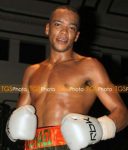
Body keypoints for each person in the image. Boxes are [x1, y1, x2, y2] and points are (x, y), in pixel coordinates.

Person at [6, 5, 128, 150]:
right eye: (58, 24)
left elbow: (122, 113)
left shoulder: (89, 66)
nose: (64, 32)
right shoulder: (31, 71)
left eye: (71, 28)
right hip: (32, 146)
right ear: (47, 29)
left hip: (69, 145)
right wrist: (11, 129)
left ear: (76, 36)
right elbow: (19, 117)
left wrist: (99, 129)